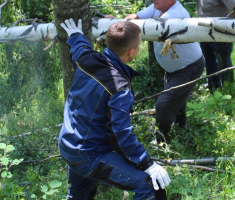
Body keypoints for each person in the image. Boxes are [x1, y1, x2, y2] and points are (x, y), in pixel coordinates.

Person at [58, 18, 170, 200]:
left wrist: (76, 35)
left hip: (68, 144)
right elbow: (120, 134)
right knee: (151, 187)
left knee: (78, 195)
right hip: (88, 154)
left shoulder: (87, 58)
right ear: (132, 51)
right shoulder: (120, 88)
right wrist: (147, 164)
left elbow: (79, 49)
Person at [125, 0, 205, 141]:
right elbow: (136, 16)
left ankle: (161, 141)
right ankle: (181, 126)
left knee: (163, 104)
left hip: (189, 67)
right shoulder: (158, 8)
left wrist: (124, 27)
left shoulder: (177, 14)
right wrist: (124, 21)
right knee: (176, 98)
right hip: (174, 68)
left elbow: (151, 27)